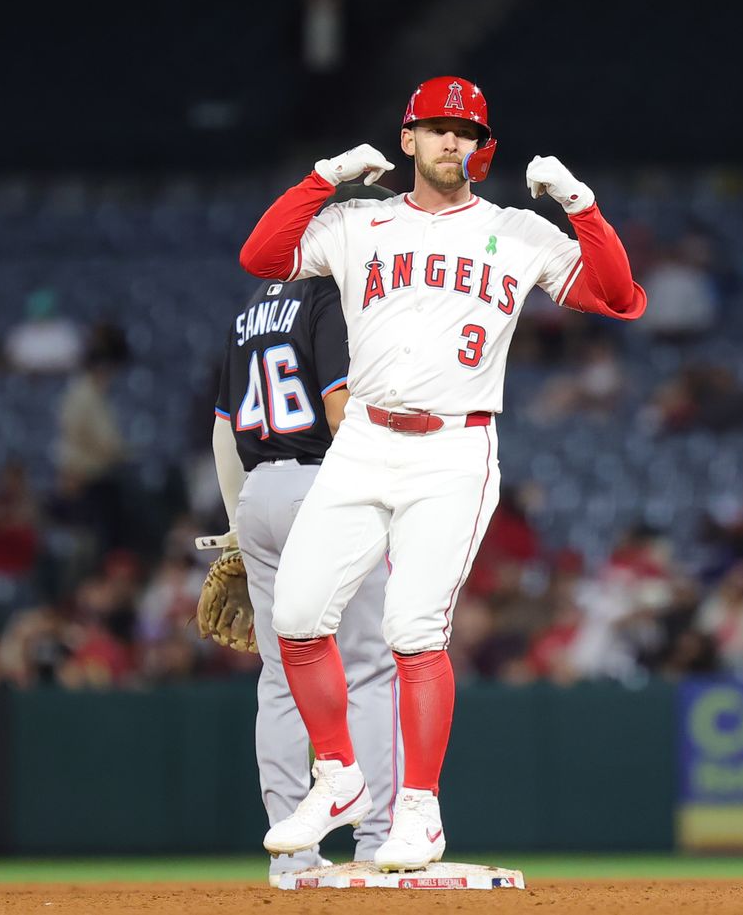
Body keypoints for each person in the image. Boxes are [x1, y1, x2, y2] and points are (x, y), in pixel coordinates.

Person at [237, 76, 646, 871]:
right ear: (409, 139)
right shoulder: (358, 221)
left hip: (455, 447)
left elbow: (619, 294)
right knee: (294, 615)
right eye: (436, 128)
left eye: (465, 130)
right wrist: (323, 178)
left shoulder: (517, 230)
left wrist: (581, 205)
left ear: (480, 144)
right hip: (362, 438)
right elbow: (261, 256)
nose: (451, 142)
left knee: (412, 631)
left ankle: (419, 810)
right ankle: (338, 776)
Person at [208, 185, 401, 885]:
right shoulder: (331, 295)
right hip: (327, 482)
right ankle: (378, 841)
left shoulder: (252, 306)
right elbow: (342, 409)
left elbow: (224, 430)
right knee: (370, 666)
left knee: (284, 676)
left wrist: (236, 526)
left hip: (259, 491)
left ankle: (292, 856)